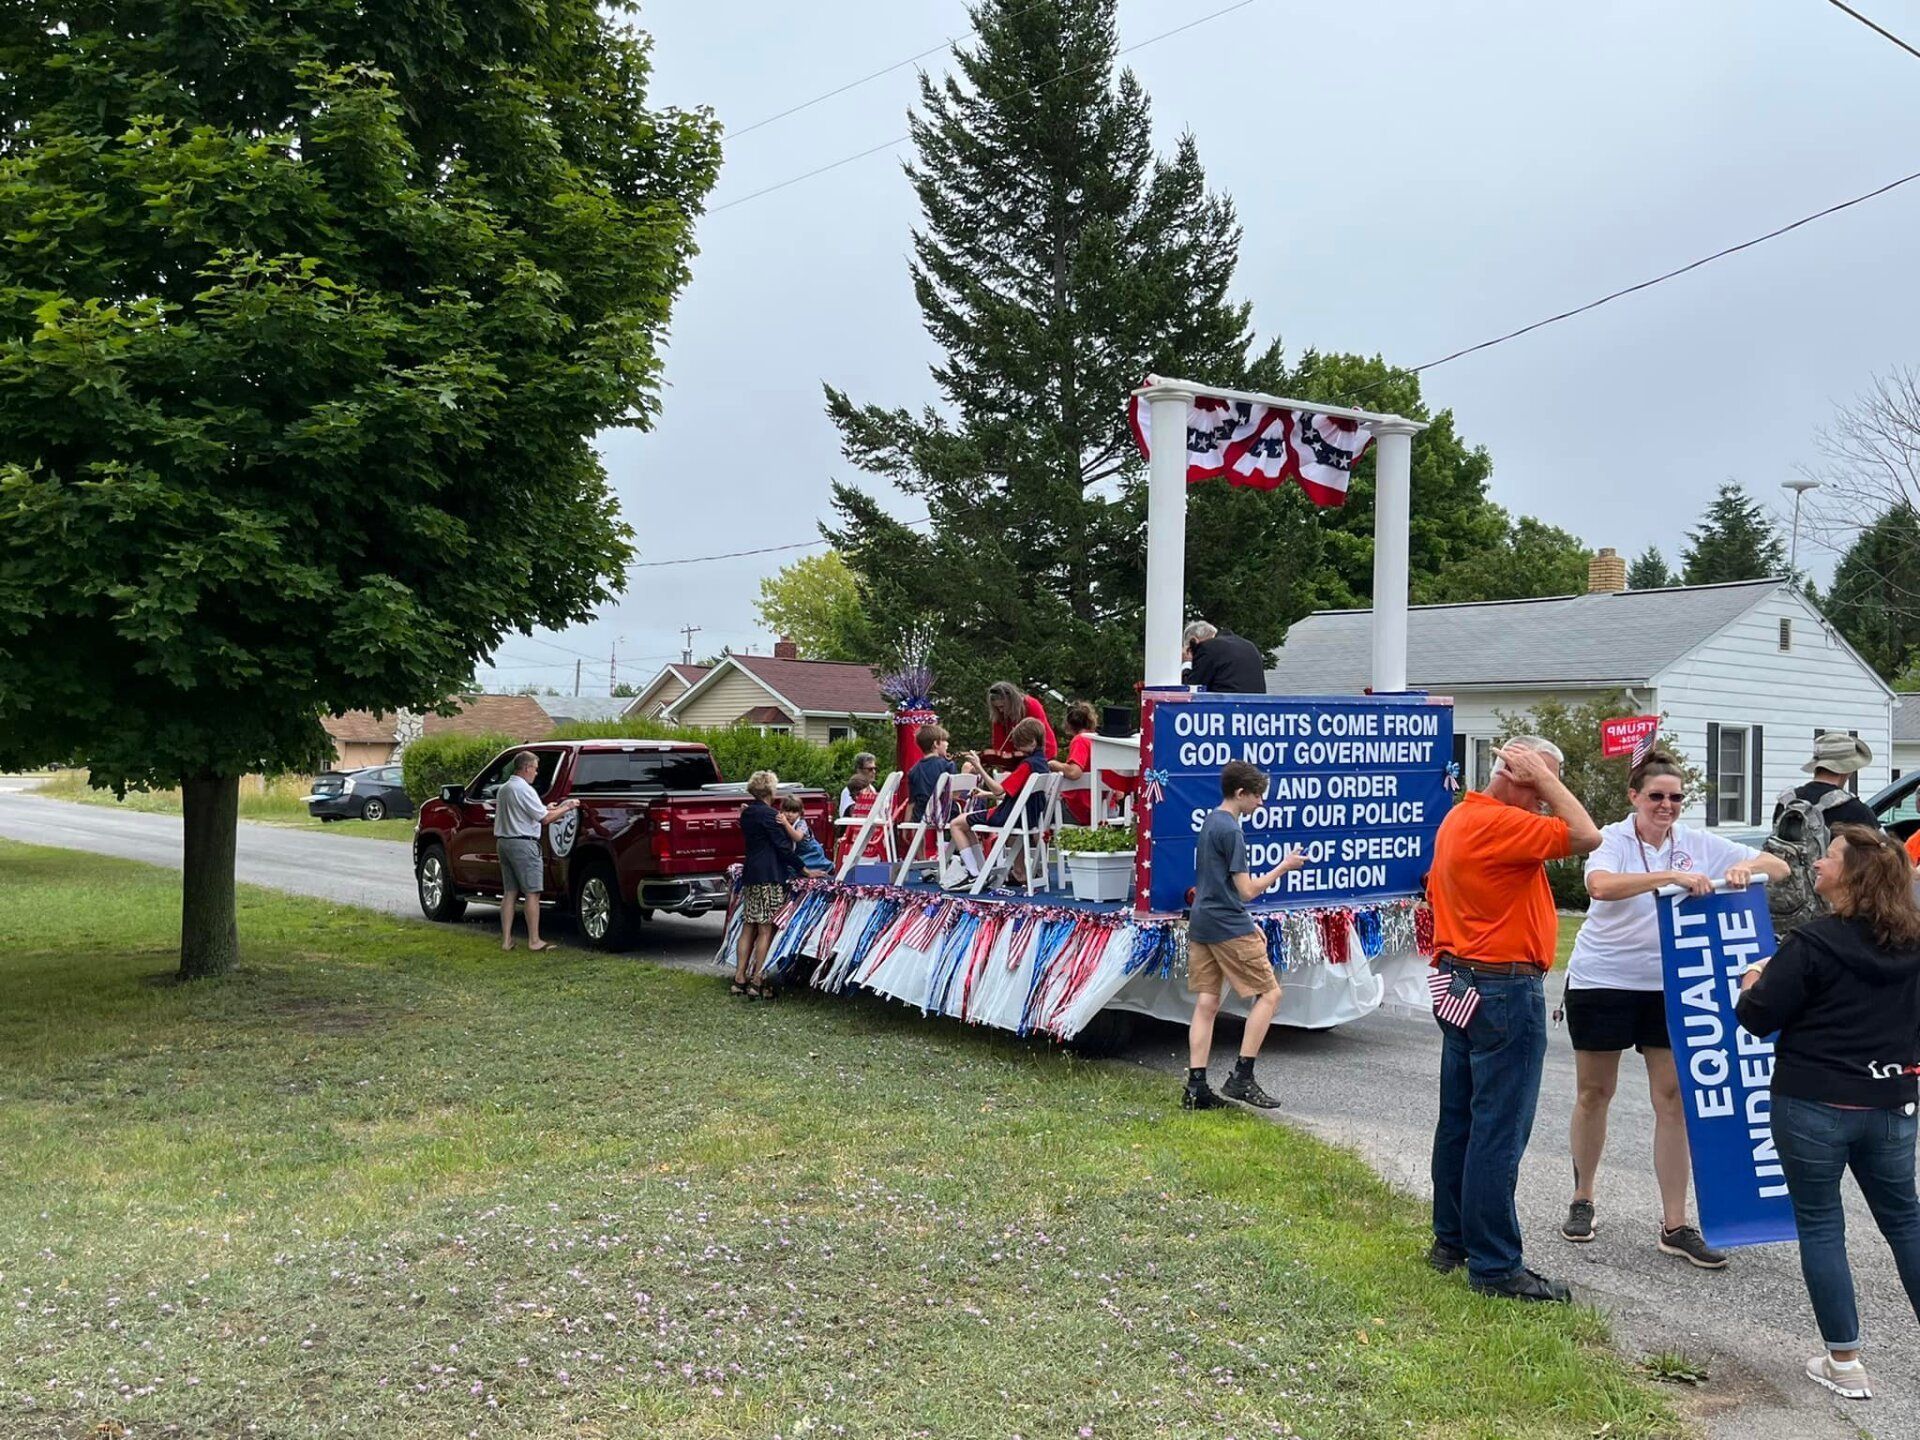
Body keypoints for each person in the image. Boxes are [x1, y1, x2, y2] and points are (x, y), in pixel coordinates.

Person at [1560, 749, 1789, 1268]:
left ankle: (1675, 1222)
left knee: (1673, 1100)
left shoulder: (1695, 842)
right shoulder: (1614, 838)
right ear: (1634, 797)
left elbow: (1777, 865)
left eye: (1676, 797)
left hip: (1672, 984)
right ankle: (1583, 1198)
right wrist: (1670, 877)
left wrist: (1741, 867)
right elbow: (1600, 887)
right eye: (1657, 796)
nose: (1667, 805)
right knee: (1595, 1093)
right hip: (1604, 979)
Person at [1736, 825, 1920, 1402]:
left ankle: (1845, 1362)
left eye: (1830, 858)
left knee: (1821, 1226)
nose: (1817, 864)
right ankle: (1843, 1362)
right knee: (1907, 1223)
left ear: (1856, 876)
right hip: (1893, 1103)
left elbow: (1757, 1018)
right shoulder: (1915, 944)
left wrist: (1753, 978)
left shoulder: (1811, 944)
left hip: (1812, 1104)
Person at [1427, 736, 1602, 1302]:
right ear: (1521, 774)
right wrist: (1546, 778)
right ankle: (1497, 1266)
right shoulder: (1502, 822)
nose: (1549, 802)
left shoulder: (1462, 816)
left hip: (1461, 978)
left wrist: (1539, 777)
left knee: (1460, 1121)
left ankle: (1451, 1241)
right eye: (1544, 786)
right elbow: (1587, 836)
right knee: (1497, 1131)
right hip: (1502, 986)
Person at [1182, 760, 1306, 1111]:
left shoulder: (1210, 820)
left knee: (1207, 1004)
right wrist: (1283, 867)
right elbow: (1246, 891)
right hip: (1227, 926)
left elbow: (1217, 885)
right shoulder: (1232, 830)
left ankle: (1196, 1087)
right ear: (1241, 793)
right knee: (1270, 995)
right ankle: (1242, 1076)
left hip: (1202, 923)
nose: (1261, 804)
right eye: (1258, 797)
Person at [945, 718, 1049, 889]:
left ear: (1031, 742)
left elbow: (999, 790)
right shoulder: (1042, 763)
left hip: (1008, 816)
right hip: (1027, 816)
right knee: (967, 823)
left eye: (1020, 744)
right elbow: (1018, 795)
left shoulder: (1027, 765)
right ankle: (983, 869)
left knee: (956, 824)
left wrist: (979, 767)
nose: (1016, 748)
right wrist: (985, 794)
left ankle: (973, 873)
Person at [493, 750, 580, 953]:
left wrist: (548, 807)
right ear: (526, 768)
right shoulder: (524, 789)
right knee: (532, 892)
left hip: (505, 843)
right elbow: (545, 819)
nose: (536, 773)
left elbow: (534, 811)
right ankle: (534, 940)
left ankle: (506, 940)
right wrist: (567, 807)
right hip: (524, 844)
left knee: (510, 892)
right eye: (535, 769)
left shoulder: (505, 789)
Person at [736, 770, 804, 998]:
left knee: (749, 925)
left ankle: (739, 978)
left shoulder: (747, 813)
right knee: (766, 928)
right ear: (770, 790)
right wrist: (804, 869)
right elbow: (783, 848)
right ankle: (758, 980)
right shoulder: (770, 815)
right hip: (769, 875)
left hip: (751, 874)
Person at [982, 682, 1058, 771]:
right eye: (997, 708)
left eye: (1002, 706)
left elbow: (1040, 736)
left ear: (1011, 701)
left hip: (1043, 754)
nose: (1001, 710)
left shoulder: (1031, 705)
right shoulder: (999, 715)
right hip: (1018, 759)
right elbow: (999, 743)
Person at [1181, 620, 1267, 694]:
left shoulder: (1207, 647)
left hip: (1224, 708)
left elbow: (1191, 689)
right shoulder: (1250, 645)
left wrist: (1187, 662)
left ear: (1194, 640)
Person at [1052, 701, 1099, 826]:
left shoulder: (1081, 740)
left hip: (1080, 810)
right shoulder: (1099, 741)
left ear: (1068, 723)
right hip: (1103, 808)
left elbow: (1074, 772)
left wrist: (1054, 765)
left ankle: (1038, 845)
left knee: (1035, 809)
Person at [907, 722, 960, 821]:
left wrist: (906, 826)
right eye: (944, 740)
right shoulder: (948, 765)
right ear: (936, 744)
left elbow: (911, 802)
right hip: (945, 818)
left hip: (922, 818)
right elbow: (955, 795)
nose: (947, 744)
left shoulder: (913, 770)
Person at [779, 794, 832, 876]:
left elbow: (797, 837)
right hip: (798, 854)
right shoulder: (783, 824)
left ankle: (831, 869)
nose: (790, 814)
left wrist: (785, 823)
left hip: (811, 853)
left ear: (800, 813)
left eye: (794, 812)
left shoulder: (801, 823)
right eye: (787, 811)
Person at [838, 752, 878, 819]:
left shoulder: (872, 789)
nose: (874, 772)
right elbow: (847, 817)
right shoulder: (848, 791)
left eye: (875, 769)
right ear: (859, 770)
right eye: (870, 769)